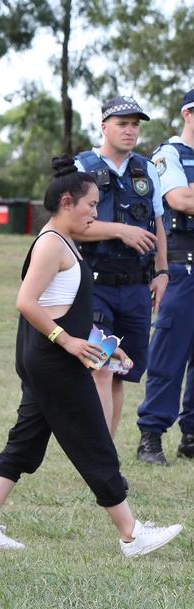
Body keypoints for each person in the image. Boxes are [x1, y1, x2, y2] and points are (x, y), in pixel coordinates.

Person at [0, 156, 182, 557]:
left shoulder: (64, 242)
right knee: (94, 442)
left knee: (25, 444)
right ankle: (131, 535)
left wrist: (103, 347)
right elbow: (26, 302)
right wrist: (68, 343)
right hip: (53, 362)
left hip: (48, 357)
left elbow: (62, 305)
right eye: (92, 205)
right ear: (67, 202)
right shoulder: (50, 244)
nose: (96, 213)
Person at [73, 96, 168, 438]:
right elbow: (70, 226)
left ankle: (105, 456)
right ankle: (99, 460)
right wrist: (120, 230)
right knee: (101, 367)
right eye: (122, 124)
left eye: (134, 124)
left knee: (120, 372)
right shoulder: (81, 167)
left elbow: (158, 225)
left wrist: (162, 272)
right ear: (103, 127)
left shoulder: (146, 170)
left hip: (136, 289)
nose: (130, 131)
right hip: (94, 286)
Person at [136, 89, 194, 465]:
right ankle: (151, 436)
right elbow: (180, 200)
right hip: (181, 268)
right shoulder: (170, 154)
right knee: (169, 353)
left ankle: (191, 436)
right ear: (189, 113)